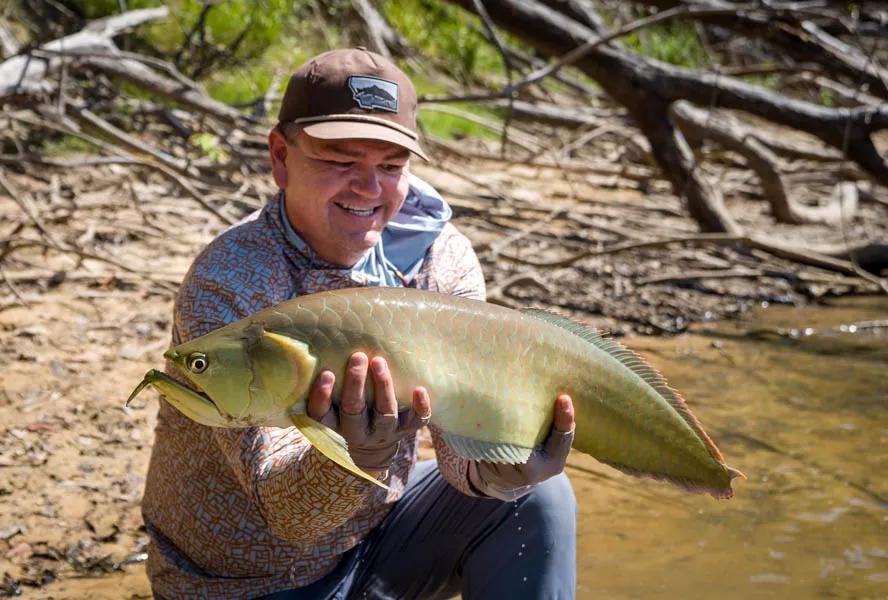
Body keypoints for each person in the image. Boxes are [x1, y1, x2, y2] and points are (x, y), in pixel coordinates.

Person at [142, 47, 577, 600]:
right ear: (280, 157)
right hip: (243, 585)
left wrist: (501, 472)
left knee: (538, 497)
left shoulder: (440, 259)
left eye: (391, 166)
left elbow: (458, 456)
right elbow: (288, 516)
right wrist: (360, 454)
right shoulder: (232, 280)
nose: (369, 189)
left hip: (378, 541)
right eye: (340, 161)